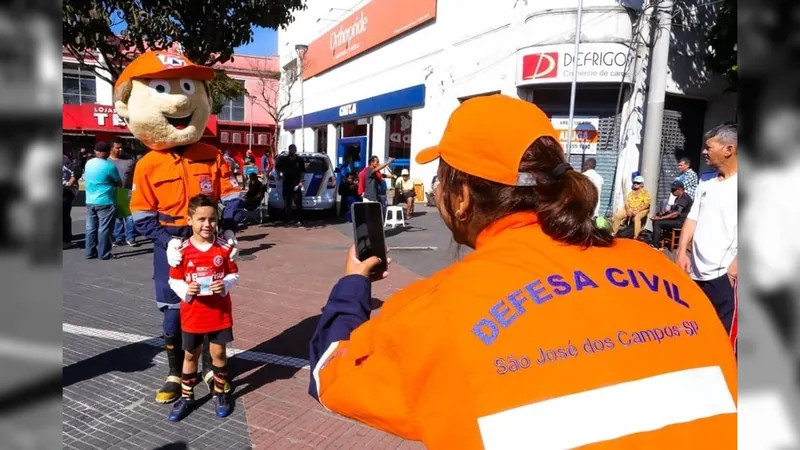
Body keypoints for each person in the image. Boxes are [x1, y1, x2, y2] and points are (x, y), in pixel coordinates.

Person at [308, 95, 737, 449]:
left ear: (460, 198)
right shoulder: (659, 268)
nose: (436, 192)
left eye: (441, 180)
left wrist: (353, 283)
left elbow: (331, 375)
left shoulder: (439, 312)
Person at [118, 51, 242, 403]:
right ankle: (176, 370)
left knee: (213, 302)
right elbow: (141, 215)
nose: (179, 100)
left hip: (209, 237)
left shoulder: (211, 154)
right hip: (170, 242)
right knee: (174, 310)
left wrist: (229, 229)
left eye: (188, 88)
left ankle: (208, 365)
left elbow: (230, 196)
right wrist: (164, 240)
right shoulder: (148, 165)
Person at [167, 195, 239, 421]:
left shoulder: (224, 249)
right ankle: (187, 397)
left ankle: (220, 393)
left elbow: (234, 273)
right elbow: (174, 280)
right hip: (193, 314)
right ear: (189, 220)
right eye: (201, 219)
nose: (207, 224)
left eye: (212, 219)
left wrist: (224, 284)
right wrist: (187, 291)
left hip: (219, 313)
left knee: (219, 353)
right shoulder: (182, 251)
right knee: (190, 355)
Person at [677, 123, 738, 340]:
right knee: (698, 331)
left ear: (728, 150)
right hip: (695, 272)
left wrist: (734, 267)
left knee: (725, 336)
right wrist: (682, 251)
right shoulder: (705, 180)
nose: (703, 151)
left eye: (709, 147)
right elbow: (693, 217)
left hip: (724, 275)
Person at [83, 141, 121, 260]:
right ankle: (104, 253)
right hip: (105, 201)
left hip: (90, 200)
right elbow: (118, 182)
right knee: (104, 229)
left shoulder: (88, 163)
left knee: (90, 228)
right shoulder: (109, 166)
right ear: (108, 152)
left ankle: (89, 252)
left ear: (95, 151)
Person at [109, 137, 138, 247]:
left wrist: (134, 190)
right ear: (111, 149)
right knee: (118, 217)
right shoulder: (106, 161)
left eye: (121, 147)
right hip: (112, 193)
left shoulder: (129, 160)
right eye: (118, 148)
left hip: (126, 192)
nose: (120, 150)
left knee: (130, 217)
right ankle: (118, 237)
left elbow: (136, 175)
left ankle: (130, 237)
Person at [650, 180, 693, 248]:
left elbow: (676, 214)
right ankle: (657, 239)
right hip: (677, 219)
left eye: (673, 189)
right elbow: (674, 211)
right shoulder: (678, 198)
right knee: (656, 218)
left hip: (681, 222)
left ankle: (655, 245)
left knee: (657, 223)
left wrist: (661, 218)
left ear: (680, 189)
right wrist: (665, 212)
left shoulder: (684, 198)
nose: (672, 191)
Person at [276, 144, 305, 224]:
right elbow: (277, 167)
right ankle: (288, 219)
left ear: (295, 150)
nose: (292, 151)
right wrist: (279, 175)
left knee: (298, 201)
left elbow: (302, 171)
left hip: (296, 183)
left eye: (294, 149)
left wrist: (301, 182)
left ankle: (299, 219)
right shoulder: (284, 159)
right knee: (287, 202)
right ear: (289, 150)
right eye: (291, 149)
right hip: (287, 183)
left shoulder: (299, 160)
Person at [63, 149, 82, 248]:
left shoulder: (63, 159)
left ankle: (66, 240)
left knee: (63, 216)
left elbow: (77, 171)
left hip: (64, 191)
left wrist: (70, 183)